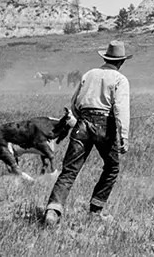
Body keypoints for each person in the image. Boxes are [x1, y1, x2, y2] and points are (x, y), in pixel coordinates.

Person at [43, 40, 132, 226]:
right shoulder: (120, 79)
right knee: (111, 167)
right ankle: (95, 211)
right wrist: (123, 136)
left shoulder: (89, 74)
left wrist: (79, 118)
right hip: (104, 125)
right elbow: (121, 109)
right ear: (121, 62)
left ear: (106, 58)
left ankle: (53, 210)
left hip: (82, 123)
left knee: (69, 170)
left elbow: (74, 101)